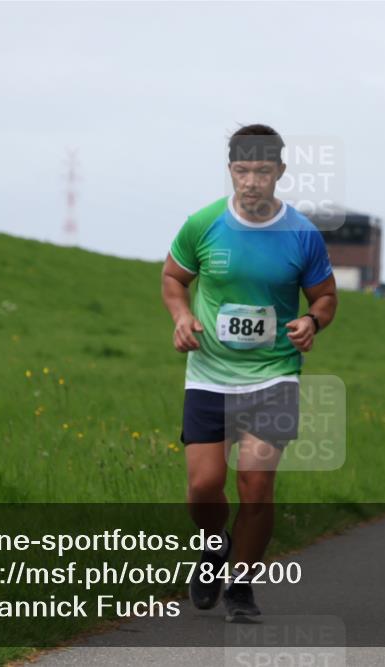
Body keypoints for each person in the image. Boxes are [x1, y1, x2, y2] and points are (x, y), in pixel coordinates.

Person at [161, 124, 337, 622]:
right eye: (242, 171)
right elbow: (173, 278)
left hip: (274, 374)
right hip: (209, 374)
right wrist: (181, 316)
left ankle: (240, 586)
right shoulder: (203, 224)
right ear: (230, 170)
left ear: (280, 171)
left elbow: (326, 296)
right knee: (204, 487)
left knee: (255, 486)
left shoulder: (301, 234)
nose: (251, 181)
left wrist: (312, 320)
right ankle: (214, 546)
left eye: (262, 171)